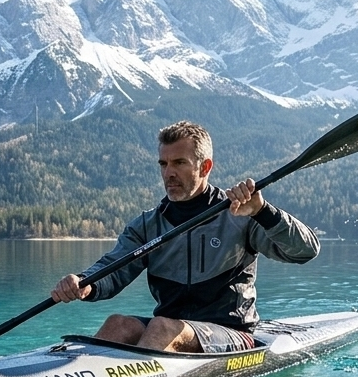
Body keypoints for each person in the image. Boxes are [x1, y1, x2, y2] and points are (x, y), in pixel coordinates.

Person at [50, 121, 319, 353]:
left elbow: (306, 251)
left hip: (232, 332)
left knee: (163, 327)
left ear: (205, 167)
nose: (169, 173)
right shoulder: (147, 225)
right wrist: (85, 283)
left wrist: (263, 212)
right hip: (172, 330)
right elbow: (112, 269)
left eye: (179, 163)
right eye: (164, 164)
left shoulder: (240, 214)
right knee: (118, 324)